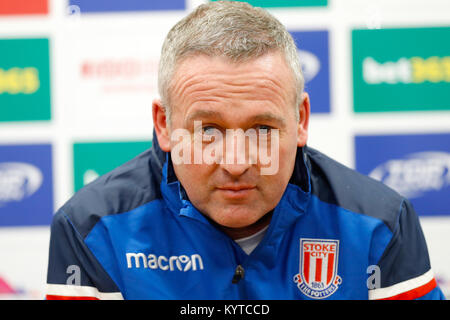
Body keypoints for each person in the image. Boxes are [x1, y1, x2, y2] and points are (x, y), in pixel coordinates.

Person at [45, 1, 445, 300]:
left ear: (301, 119)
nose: (236, 163)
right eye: (208, 130)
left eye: (262, 128)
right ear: (164, 124)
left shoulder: (380, 224)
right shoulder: (90, 229)